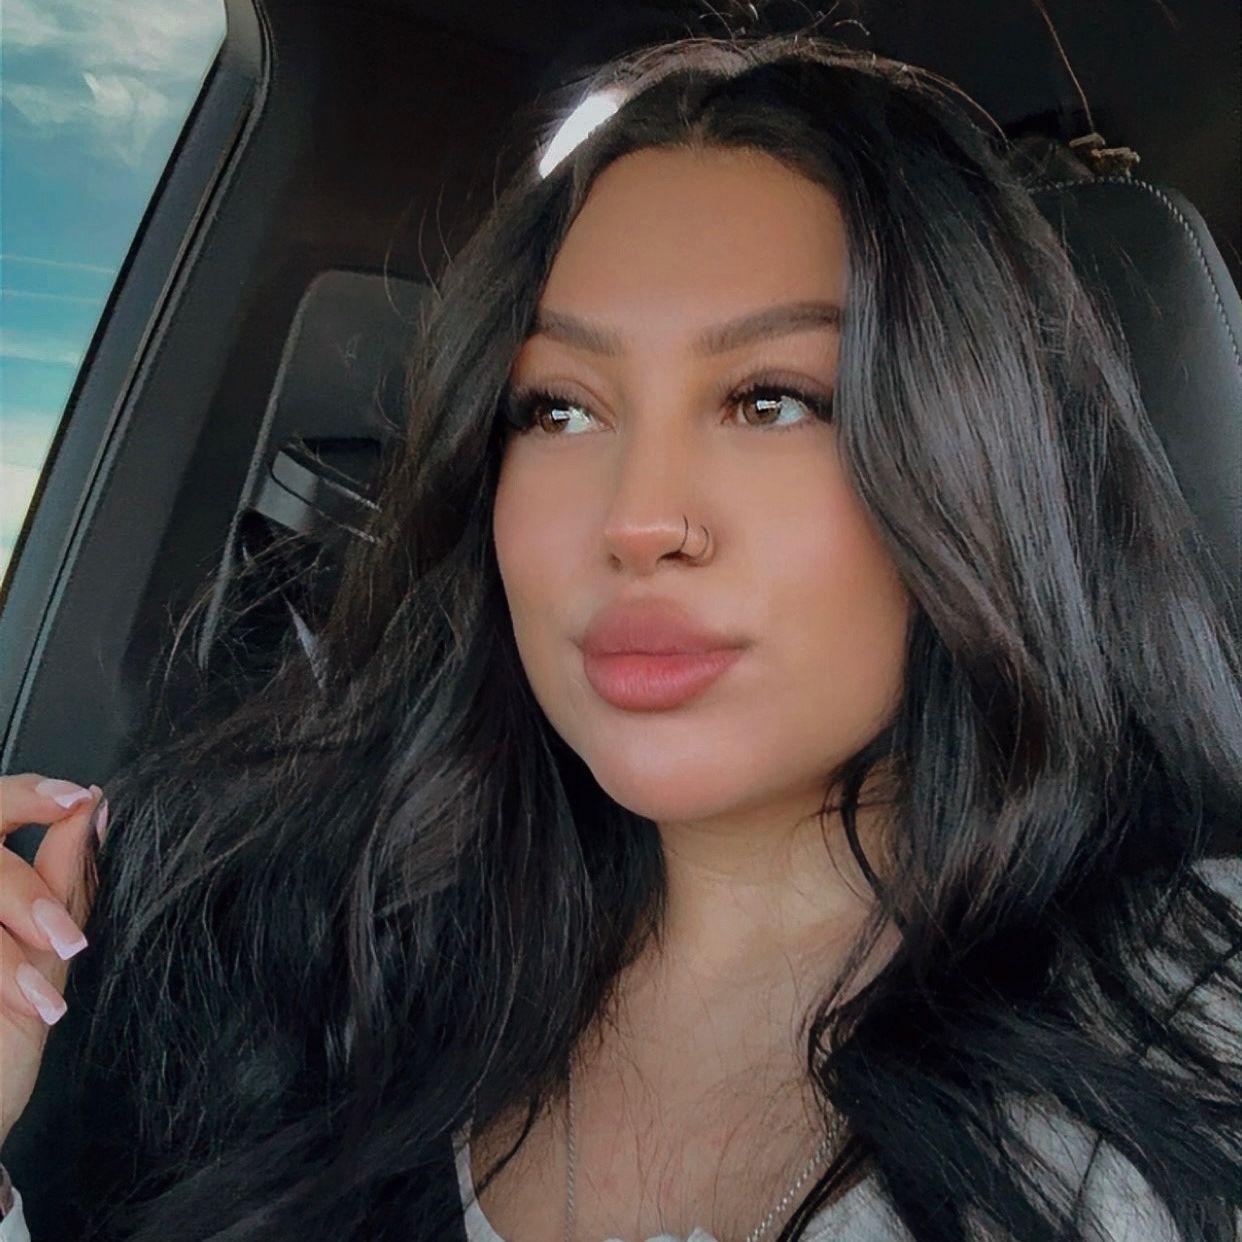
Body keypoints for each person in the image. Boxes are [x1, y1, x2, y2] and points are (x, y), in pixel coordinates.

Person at [1, 29, 1240, 1242]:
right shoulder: (314, 957)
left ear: (984, 462)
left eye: (772, 400)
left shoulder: (1193, 1018)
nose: (638, 520)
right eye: (560, 410)